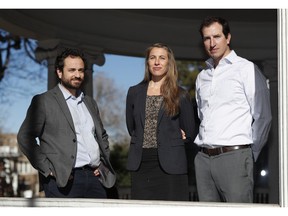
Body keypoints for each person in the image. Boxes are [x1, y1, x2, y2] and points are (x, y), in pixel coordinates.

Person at [17, 48, 116, 198]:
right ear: (59, 72)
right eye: (72, 70)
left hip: (96, 178)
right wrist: (47, 168)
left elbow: (101, 136)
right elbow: (25, 137)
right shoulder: (44, 101)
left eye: (81, 70)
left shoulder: (90, 102)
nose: (77, 75)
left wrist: (103, 163)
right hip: (63, 180)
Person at [194, 16, 272, 203]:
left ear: (228, 37)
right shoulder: (202, 77)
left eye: (217, 36)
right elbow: (201, 115)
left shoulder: (247, 69)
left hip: (235, 157)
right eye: (206, 38)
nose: (212, 43)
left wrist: (249, 154)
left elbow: (263, 117)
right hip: (203, 159)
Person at [125, 43, 196, 201]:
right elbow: (132, 127)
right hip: (141, 165)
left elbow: (190, 132)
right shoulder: (134, 92)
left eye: (162, 58)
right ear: (147, 62)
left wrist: (176, 137)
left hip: (172, 165)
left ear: (169, 63)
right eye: (152, 58)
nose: (157, 62)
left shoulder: (181, 94)